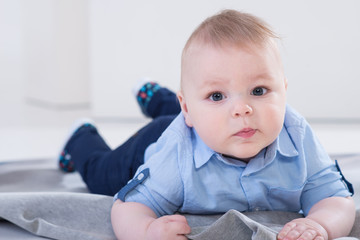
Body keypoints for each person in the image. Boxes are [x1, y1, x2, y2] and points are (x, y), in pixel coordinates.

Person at [60, 10, 355, 240]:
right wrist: (147, 231)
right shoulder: (176, 158)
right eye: (218, 94)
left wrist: (319, 224)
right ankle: (81, 136)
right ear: (186, 108)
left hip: (202, 119)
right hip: (156, 140)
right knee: (100, 173)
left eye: (259, 90)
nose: (242, 109)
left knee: (212, 113)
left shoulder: (296, 133)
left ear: (284, 90)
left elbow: (335, 200)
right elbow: (128, 208)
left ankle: (157, 97)